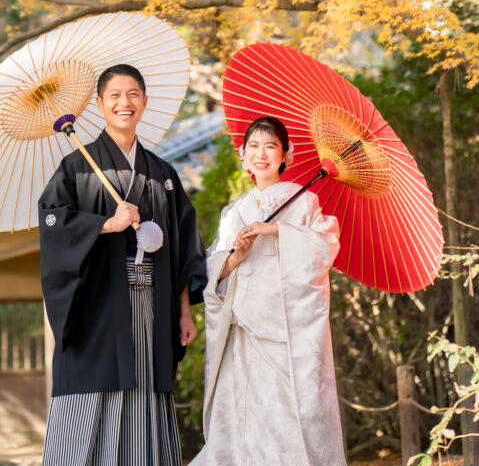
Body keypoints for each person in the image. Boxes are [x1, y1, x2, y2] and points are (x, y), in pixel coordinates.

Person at [38, 63, 207, 466]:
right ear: (99, 104)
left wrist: (184, 311)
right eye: (114, 95)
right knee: (94, 387)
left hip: (153, 305)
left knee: (145, 389)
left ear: (144, 103)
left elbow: (182, 247)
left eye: (132, 94)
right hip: (98, 305)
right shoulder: (76, 169)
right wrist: (105, 224)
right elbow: (52, 223)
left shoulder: (163, 174)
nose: (123, 102)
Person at [191, 115, 346, 466]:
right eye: (254, 147)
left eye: (271, 146)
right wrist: (235, 256)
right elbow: (213, 270)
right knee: (241, 423)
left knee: (288, 418)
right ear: (242, 155)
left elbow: (324, 248)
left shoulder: (303, 202)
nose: (261, 154)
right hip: (241, 332)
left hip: (286, 332)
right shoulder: (233, 213)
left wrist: (277, 232)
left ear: (285, 157)